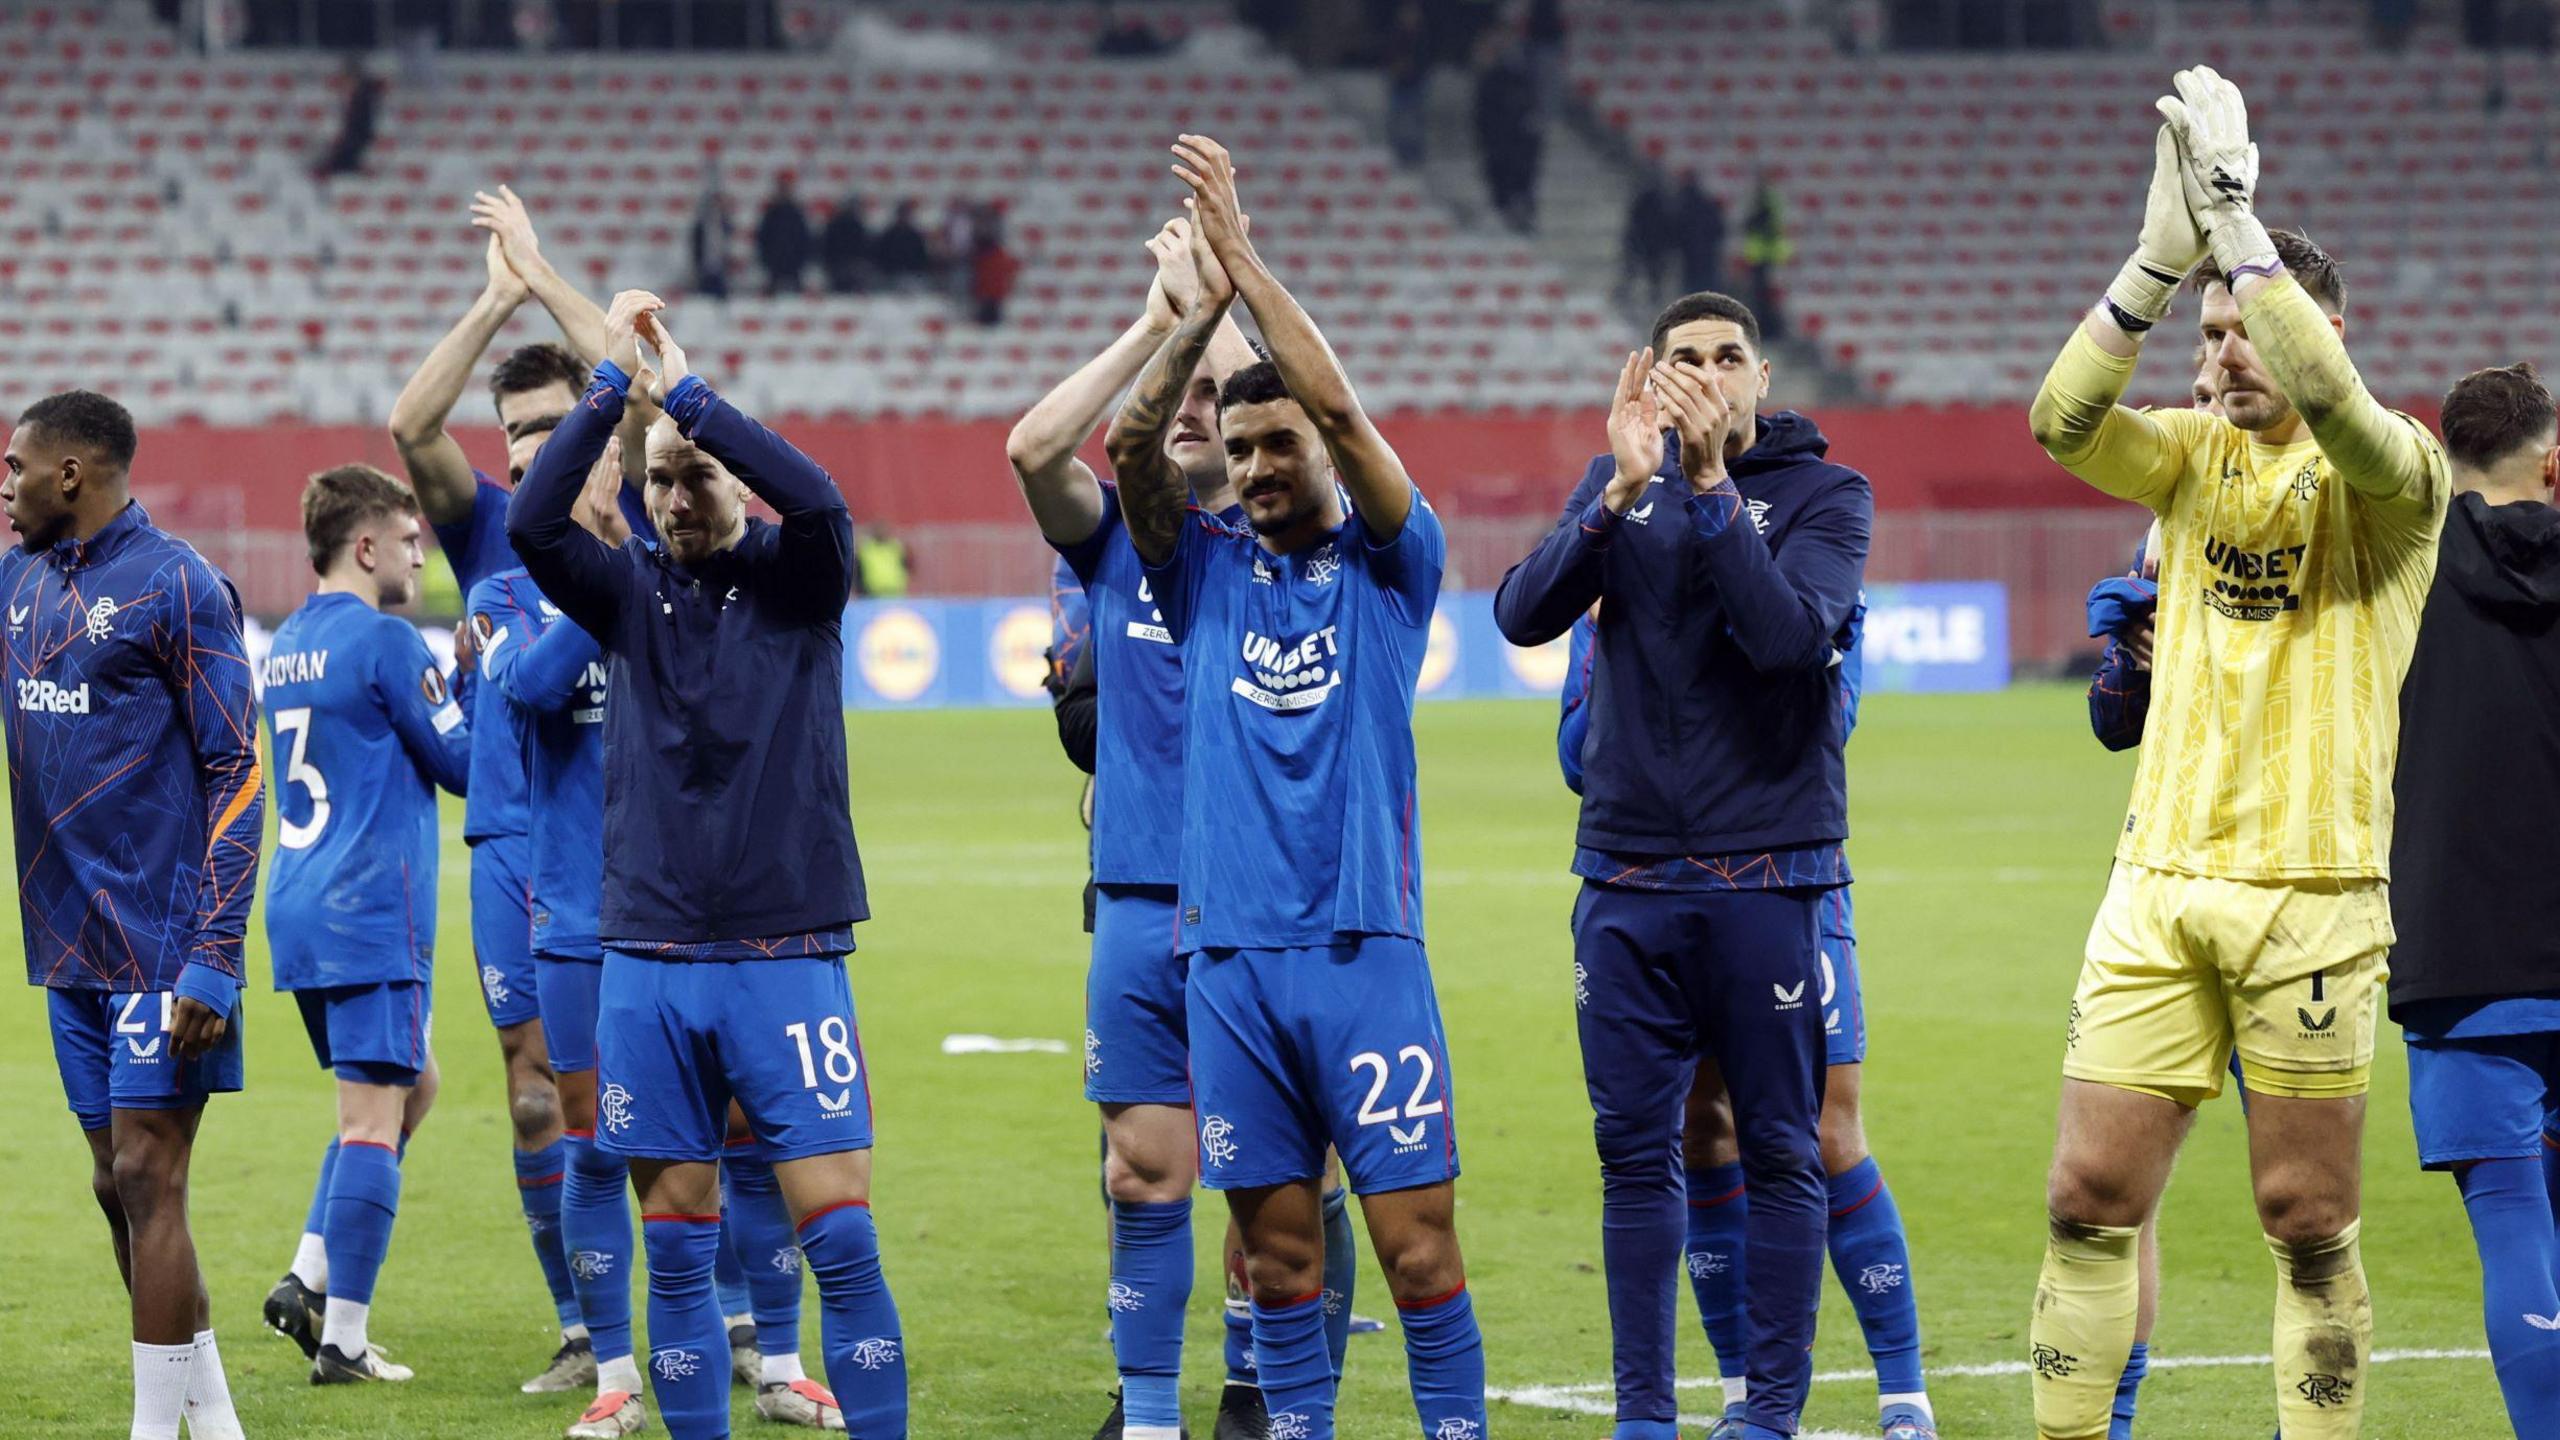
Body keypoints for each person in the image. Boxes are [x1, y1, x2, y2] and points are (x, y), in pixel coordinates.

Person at [2024, 69, 2450, 1440]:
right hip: (2156, 887)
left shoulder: (2394, 478)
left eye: (2241, 333)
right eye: (2209, 335)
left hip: (2314, 897)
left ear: (2317, 329)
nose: (2219, 360)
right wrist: (2160, 259)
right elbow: (2060, 423)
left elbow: (2337, 403)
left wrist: (2240, 229)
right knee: (2086, 1201)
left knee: (2306, 1220)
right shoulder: (2189, 461)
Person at [1111, 134, 1486, 1440]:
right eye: (1247, 447)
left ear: (1323, 454)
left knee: (1418, 1253)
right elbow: (1131, 441)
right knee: (1277, 1262)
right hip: (1229, 964)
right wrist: (1195, 315)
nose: (1265, 466)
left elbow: (1338, 411)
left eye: (1285, 447)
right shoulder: (1198, 567)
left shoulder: (1395, 566)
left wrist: (1247, 263)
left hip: (1363, 951)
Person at [508, 290, 903, 1440]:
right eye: (662, 480)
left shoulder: (801, 577)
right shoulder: (627, 591)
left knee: (840, 1236)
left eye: (699, 476)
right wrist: (608, 397)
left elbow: (822, 496)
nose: (681, 498)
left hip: (784, 953)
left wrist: (683, 398)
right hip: (648, 958)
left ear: (736, 479)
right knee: (675, 1254)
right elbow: (536, 525)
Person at [1495, 291, 1874, 1440]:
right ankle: (1643, 1418)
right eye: (1682, 359)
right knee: (1632, 1159)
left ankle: (1765, 1415)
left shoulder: (1827, 497)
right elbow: (1521, 612)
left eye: (1726, 357)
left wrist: (1709, 489)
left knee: (1776, 1147)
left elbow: (1786, 639)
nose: (1705, 374)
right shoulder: (1622, 485)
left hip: (1764, 876)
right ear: (1650, 378)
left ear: (1763, 378)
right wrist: (1614, 494)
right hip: (1623, 879)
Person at [1012, 216, 1338, 1440]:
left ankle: (1259, 1385)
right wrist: (1162, 324)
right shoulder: (1111, 547)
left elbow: (1331, 429)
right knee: (1140, 1173)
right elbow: (1037, 445)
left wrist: (1237, 303)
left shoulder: (1305, 553)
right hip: (1140, 901)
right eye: (1181, 397)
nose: (1193, 409)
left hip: (1268, 911)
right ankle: (1148, 1412)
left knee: (1280, 1184)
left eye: (1217, 395)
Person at [376, 183, 611, 1392]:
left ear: (590, 423)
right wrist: (494, 299)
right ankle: (583, 1326)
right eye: (513, 431)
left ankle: (720, 1307)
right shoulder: (492, 536)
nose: (524, 450)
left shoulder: (633, 517)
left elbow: (636, 364)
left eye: (546, 425)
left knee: (663, 1082)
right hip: (511, 842)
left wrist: (553, 279)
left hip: (635, 832)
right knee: (536, 1097)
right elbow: (413, 424)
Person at [2, 390, 264, 1440]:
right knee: (118, 1184)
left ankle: (153, 1433)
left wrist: (215, 954)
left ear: (71, 472)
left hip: (163, 943)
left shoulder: (179, 586)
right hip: (67, 943)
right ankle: (217, 1422)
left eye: (15, 464)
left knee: (152, 1173)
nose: (4, 482)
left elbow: (239, 772)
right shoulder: (16, 581)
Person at [260, 463, 470, 1384]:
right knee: (374, 1123)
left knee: (408, 1089)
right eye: (411, 537)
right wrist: (489, 678)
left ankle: (307, 1277)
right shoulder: (388, 641)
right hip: (369, 907)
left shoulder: (293, 641)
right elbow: (459, 760)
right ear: (366, 545)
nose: (423, 552)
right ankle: (341, 1340)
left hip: (302, 903)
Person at [2387, 361, 2560, 1435]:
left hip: (2457, 949)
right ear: (2551, 462)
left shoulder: (2403, 564)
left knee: (2509, 1220)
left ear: (2444, 461)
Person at [758, 173, 813, 297]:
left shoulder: (797, 214)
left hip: (794, 264)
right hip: (775, 264)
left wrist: (800, 261)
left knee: (798, 299)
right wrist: (768, 260)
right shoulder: (771, 214)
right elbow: (763, 239)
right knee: (771, 298)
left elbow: (804, 239)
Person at [874, 201, 933, 289]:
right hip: (891, 274)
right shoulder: (889, 234)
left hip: (911, 273)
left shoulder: (914, 235)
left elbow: (921, 255)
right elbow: (881, 254)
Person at [820, 194, 871, 295]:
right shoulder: (856, 225)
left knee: (840, 295)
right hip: (846, 265)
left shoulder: (835, 224)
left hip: (840, 264)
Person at [691, 188, 735, 300]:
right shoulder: (701, 226)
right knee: (705, 300)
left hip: (722, 269)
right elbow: (696, 247)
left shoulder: (726, 225)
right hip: (705, 268)